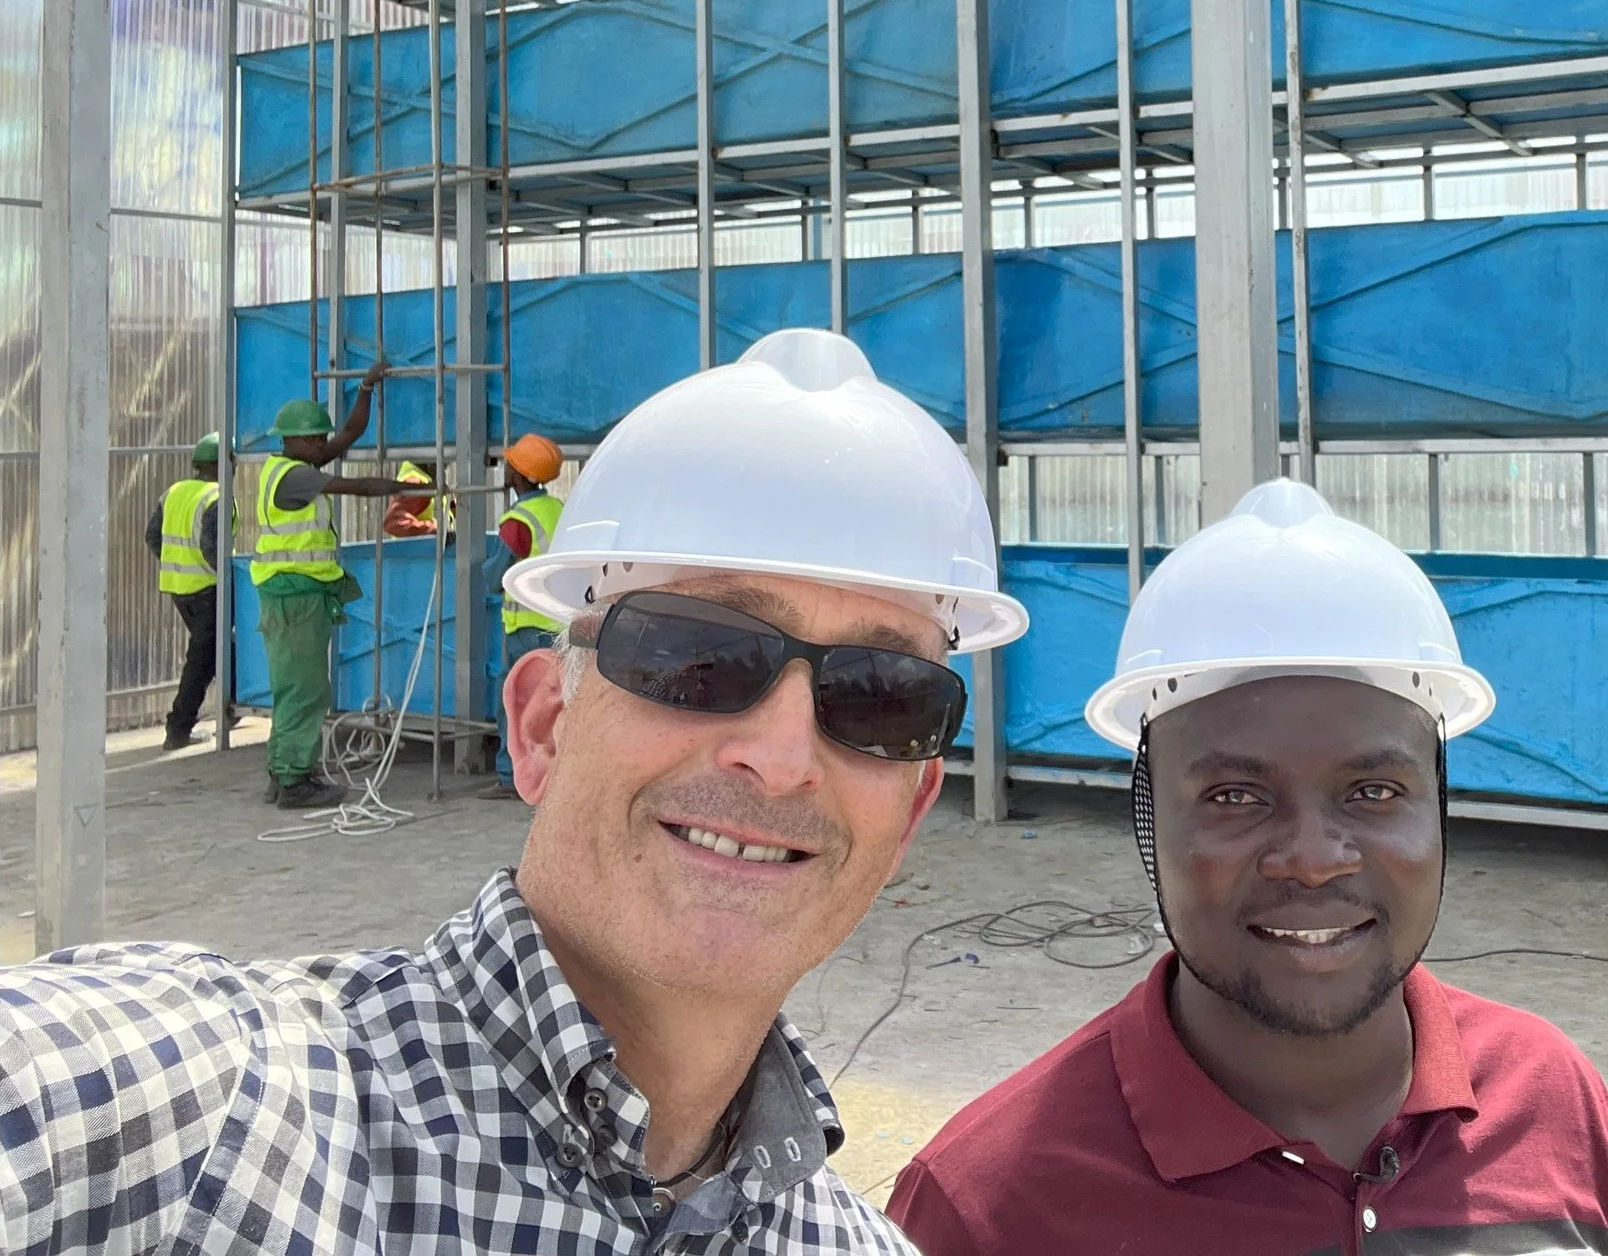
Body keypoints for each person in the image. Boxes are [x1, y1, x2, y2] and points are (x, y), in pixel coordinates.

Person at [0, 329, 1023, 1252]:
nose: (784, 755)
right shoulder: (183, 1119)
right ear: (541, 726)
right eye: (694, 657)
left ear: (910, 813)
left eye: (880, 697)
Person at [889, 480, 1608, 1256]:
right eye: (1237, 795)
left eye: (1374, 790)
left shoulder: (1551, 1099)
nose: (1314, 860)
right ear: (1151, 821)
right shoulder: (989, 1205)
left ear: (1438, 807)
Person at [253, 366, 432, 809]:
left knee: (293, 686)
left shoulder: (295, 463)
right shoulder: (296, 476)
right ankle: (295, 781)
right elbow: (359, 486)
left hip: (291, 594)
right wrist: (423, 487)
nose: (320, 443)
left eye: (320, 436)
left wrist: (367, 387)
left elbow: (350, 433)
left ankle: (283, 772)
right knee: (306, 689)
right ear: (290, 440)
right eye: (312, 438)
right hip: (295, 594)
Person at [481, 431, 566, 798]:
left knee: (516, 706)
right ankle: (556, 775)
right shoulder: (558, 510)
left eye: (509, 464)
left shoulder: (518, 521)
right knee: (557, 705)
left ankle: (510, 776)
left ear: (517, 475)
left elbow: (494, 577)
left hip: (526, 628)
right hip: (560, 626)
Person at [145, 433, 227, 751]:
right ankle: (177, 730)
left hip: (179, 589)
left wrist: (176, 564)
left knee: (216, 653)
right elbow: (211, 548)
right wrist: (225, 576)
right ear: (223, 463)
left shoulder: (175, 491)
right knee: (203, 660)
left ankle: (226, 711)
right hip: (207, 589)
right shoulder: (217, 496)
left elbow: (153, 536)